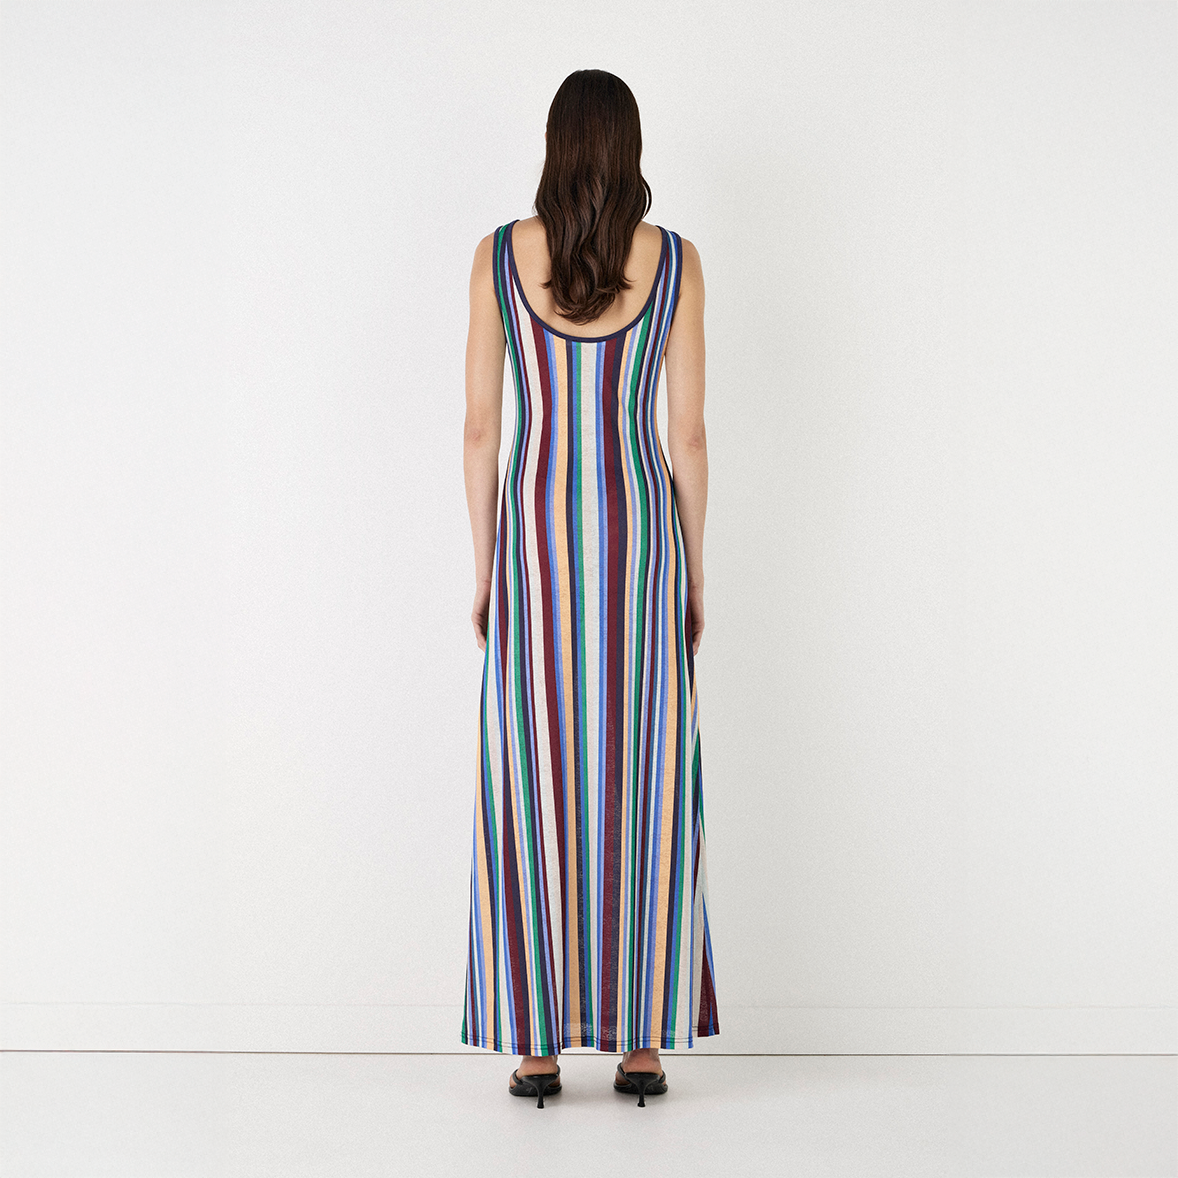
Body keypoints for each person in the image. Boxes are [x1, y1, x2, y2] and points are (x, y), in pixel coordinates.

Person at [460, 69, 719, 1109]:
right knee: (642, 774)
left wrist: (486, 567)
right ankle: (642, 1043)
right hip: (637, 534)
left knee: (530, 776)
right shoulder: (675, 262)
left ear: (556, 144)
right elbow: (686, 437)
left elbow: (480, 429)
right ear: (630, 147)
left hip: (532, 538)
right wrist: (692, 572)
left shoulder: (497, 257)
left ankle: (534, 1047)